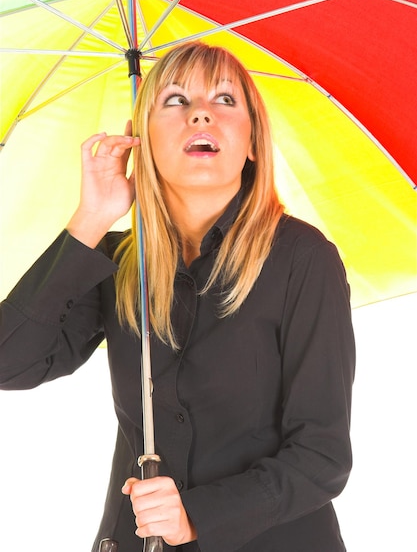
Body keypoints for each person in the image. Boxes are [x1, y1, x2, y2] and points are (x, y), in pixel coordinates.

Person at [0, 42, 355, 551]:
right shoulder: (120, 264)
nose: (201, 113)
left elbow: (322, 457)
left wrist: (196, 516)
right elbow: (9, 363)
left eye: (225, 100)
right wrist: (91, 220)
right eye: (175, 100)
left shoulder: (303, 258)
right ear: (140, 141)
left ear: (252, 141)